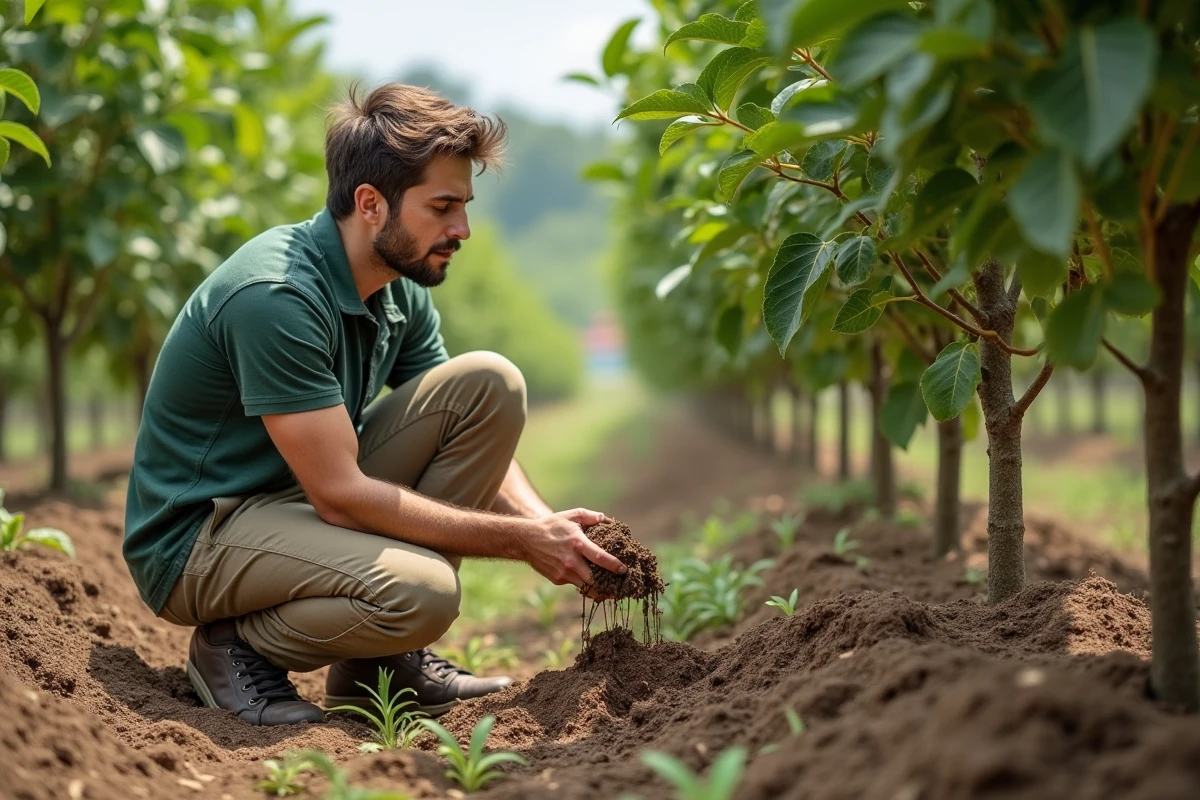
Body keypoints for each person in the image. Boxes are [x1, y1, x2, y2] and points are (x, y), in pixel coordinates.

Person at [122, 83, 627, 727]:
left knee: (489, 385)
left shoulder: (398, 285)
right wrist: (523, 542)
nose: (462, 229)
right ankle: (234, 647)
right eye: (442, 207)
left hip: (292, 498)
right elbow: (340, 495)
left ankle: (377, 666)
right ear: (370, 203)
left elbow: (466, 422)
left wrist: (543, 522)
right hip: (200, 536)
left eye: (465, 206)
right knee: (422, 594)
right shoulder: (276, 295)